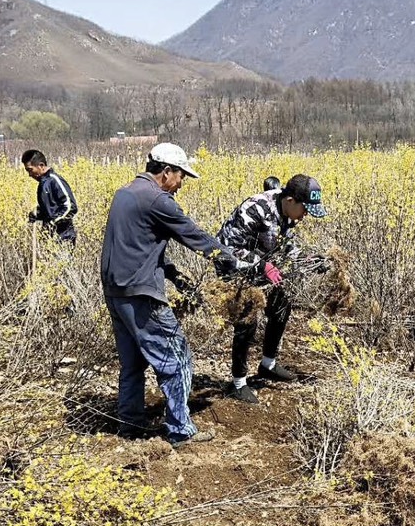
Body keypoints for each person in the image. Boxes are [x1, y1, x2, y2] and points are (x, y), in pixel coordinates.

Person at [101, 143, 249, 448]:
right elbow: (193, 235)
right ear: (166, 171)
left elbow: (139, 246)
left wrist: (175, 275)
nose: (181, 184)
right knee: (177, 359)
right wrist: (230, 259)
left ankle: (130, 423)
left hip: (116, 293)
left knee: (132, 364)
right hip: (142, 294)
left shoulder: (125, 193)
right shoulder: (158, 200)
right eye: (181, 176)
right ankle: (180, 430)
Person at [217, 174, 327, 403]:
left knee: (281, 307)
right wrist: (262, 265)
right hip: (233, 266)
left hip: (261, 265)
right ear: (290, 200)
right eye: (304, 209)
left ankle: (268, 364)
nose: (305, 215)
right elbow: (226, 247)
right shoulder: (256, 208)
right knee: (248, 319)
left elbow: (287, 248)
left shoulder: (288, 214)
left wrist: (311, 261)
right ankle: (238, 383)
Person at [21, 149, 78, 246]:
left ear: (41, 166)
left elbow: (70, 207)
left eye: (30, 170)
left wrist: (53, 222)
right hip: (51, 240)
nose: (30, 175)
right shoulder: (43, 184)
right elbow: (50, 209)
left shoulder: (54, 180)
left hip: (64, 238)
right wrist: (37, 214)